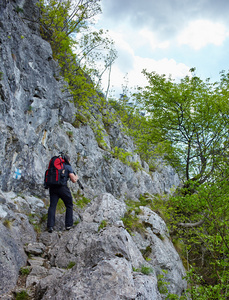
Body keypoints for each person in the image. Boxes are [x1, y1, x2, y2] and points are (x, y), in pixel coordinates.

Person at [47, 155, 78, 233]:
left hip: (52, 187)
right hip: (62, 188)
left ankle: (50, 226)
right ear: (68, 160)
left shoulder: (54, 166)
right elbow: (73, 179)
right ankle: (68, 225)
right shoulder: (67, 166)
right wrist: (76, 177)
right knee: (69, 205)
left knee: (52, 206)